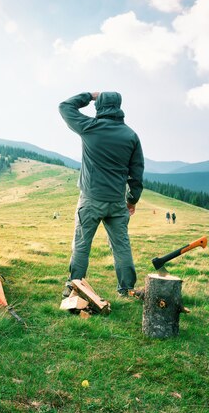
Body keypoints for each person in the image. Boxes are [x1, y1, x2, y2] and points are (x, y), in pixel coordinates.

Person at [59, 91, 145, 298]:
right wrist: (132, 200)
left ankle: (74, 287)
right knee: (121, 247)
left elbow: (65, 106)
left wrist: (89, 95)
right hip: (117, 202)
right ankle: (127, 289)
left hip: (90, 199)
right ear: (119, 106)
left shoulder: (90, 127)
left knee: (82, 244)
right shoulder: (131, 135)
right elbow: (137, 172)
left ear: (99, 106)